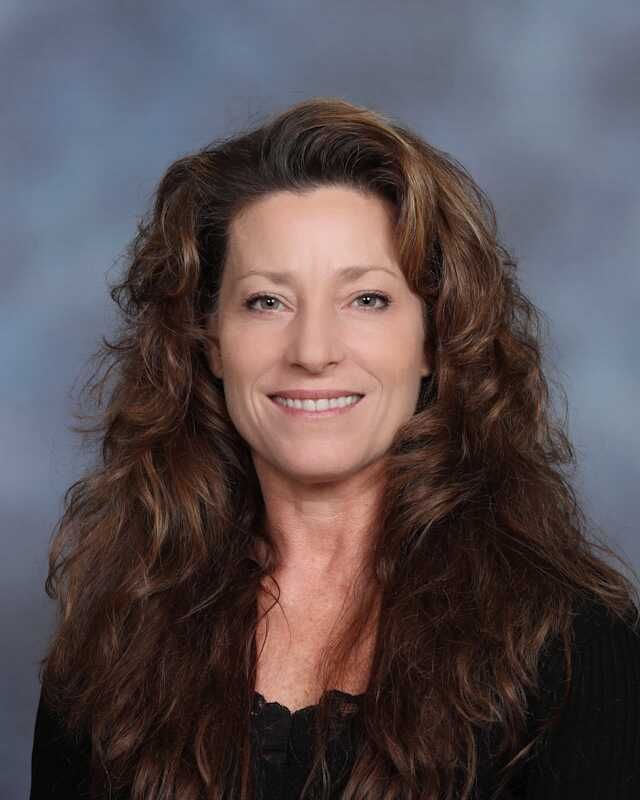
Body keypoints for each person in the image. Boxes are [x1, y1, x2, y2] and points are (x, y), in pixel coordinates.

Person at [30, 97, 640, 800]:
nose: (313, 351)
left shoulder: (572, 652)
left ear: (434, 340)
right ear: (209, 341)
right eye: (267, 301)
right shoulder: (114, 640)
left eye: (367, 299)